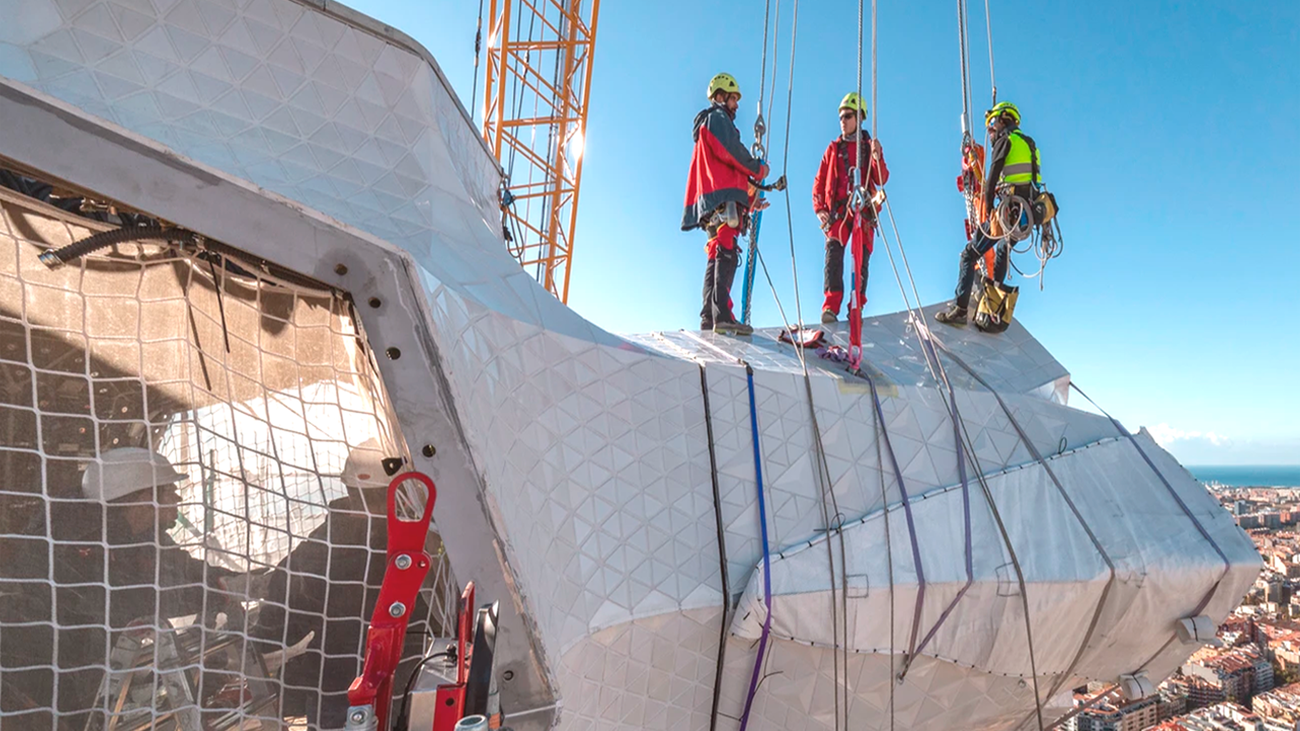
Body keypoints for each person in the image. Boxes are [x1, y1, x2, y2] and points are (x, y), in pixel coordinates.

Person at [1, 447, 238, 729]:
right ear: (143, 497)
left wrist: (221, 582)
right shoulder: (74, 540)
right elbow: (126, 602)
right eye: (169, 491)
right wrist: (206, 594)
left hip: (88, 669)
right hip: (41, 679)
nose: (178, 498)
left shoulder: (140, 533)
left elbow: (178, 570)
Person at [255, 439, 444, 730]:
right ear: (403, 490)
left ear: (348, 491)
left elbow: (278, 626)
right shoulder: (422, 543)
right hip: (408, 686)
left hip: (342, 692)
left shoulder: (317, 549)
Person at [936, 101, 1042, 325]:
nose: (991, 130)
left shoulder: (1006, 140)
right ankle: (991, 311)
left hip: (1007, 213)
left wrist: (989, 208)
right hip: (1025, 218)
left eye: (993, 124)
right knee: (1002, 253)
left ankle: (960, 309)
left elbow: (992, 176)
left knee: (969, 254)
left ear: (1003, 120)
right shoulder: (1030, 144)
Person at [682, 72, 769, 336]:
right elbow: (731, 152)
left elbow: (724, 166)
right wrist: (757, 169)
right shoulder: (717, 120)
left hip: (711, 202)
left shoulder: (708, 125)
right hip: (721, 199)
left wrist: (751, 200)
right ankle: (722, 316)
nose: (737, 105)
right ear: (721, 97)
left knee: (715, 255)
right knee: (726, 251)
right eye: (733, 98)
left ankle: (709, 317)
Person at [812, 92, 889, 323]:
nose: (842, 121)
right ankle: (831, 307)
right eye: (841, 117)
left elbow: (881, 178)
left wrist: (877, 156)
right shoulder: (833, 149)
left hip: (862, 212)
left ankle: (856, 306)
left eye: (847, 116)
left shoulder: (868, 148)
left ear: (859, 118)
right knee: (833, 258)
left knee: (861, 261)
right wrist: (819, 209)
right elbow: (819, 180)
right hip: (838, 214)